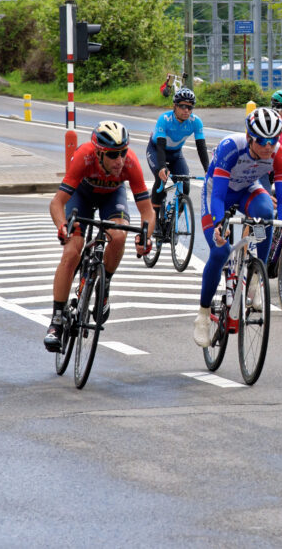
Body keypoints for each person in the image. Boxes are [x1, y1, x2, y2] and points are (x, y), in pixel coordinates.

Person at [43, 121, 155, 352]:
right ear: (99, 153)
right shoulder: (84, 156)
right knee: (72, 250)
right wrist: (62, 225)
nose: (120, 160)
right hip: (81, 197)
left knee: (119, 235)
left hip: (112, 197)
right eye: (113, 155)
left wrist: (146, 237)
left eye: (123, 152)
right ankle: (56, 320)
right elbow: (57, 202)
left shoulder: (130, 163)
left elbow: (147, 211)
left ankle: (104, 286)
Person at [194, 107, 282, 347]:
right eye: (262, 141)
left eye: (273, 140)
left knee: (266, 214)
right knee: (220, 251)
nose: (268, 147)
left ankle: (255, 279)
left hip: (247, 190)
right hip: (217, 194)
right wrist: (220, 223)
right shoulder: (231, 147)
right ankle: (203, 315)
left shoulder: (280, 156)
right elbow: (218, 195)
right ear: (250, 137)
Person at [145, 87, 210, 239]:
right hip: (157, 150)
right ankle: (155, 220)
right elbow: (160, 146)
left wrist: (207, 169)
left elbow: (201, 147)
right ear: (175, 106)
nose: (186, 110)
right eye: (183, 106)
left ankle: (173, 222)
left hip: (176, 154)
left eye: (190, 107)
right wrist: (162, 167)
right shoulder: (165, 119)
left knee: (185, 186)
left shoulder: (196, 122)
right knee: (160, 179)